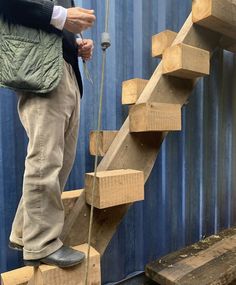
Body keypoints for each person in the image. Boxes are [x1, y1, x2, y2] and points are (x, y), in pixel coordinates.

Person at [0, 0, 96, 268]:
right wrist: (64, 16)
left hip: (64, 71)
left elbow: (53, 27)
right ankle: (41, 244)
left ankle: (24, 233)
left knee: (60, 161)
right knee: (45, 158)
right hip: (41, 71)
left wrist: (76, 44)